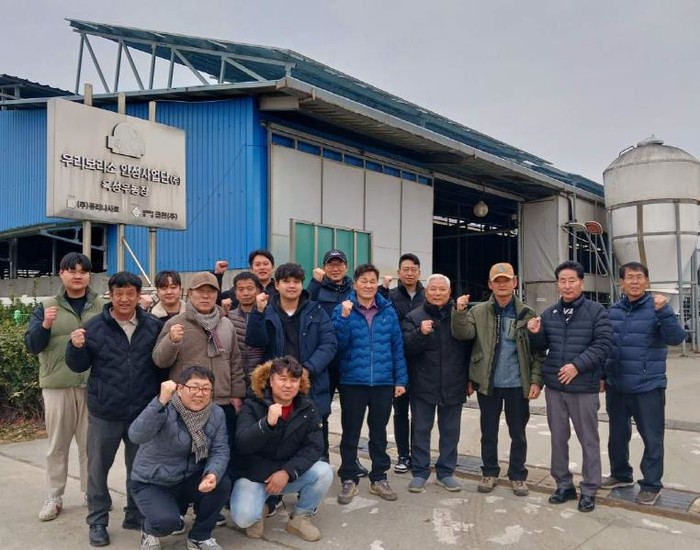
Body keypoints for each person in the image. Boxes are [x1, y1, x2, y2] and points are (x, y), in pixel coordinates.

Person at [66, 271, 163, 547]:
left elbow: (161, 365)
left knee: (139, 468)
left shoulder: (152, 326)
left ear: (138, 296)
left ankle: (135, 513)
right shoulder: (94, 327)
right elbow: (78, 366)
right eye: (119, 293)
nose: (124, 299)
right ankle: (97, 521)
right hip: (105, 412)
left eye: (130, 293)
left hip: (141, 412)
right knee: (98, 469)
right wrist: (75, 347)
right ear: (111, 295)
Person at [24, 252, 106, 522]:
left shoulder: (101, 306)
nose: (78, 275)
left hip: (92, 385)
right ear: (61, 273)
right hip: (58, 385)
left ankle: (91, 492)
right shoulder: (47, 306)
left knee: (90, 445)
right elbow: (32, 345)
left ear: (89, 276)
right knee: (57, 445)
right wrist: (45, 325)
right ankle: (54, 495)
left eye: (83, 271)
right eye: (72, 270)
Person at [527, 260, 612, 513]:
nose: (567, 285)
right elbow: (541, 347)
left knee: (588, 439)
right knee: (558, 438)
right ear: (557, 284)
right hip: (555, 388)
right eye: (562, 281)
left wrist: (577, 366)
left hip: (583, 387)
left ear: (581, 283)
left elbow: (603, 344)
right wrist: (535, 333)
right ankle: (563, 485)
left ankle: (589, 489)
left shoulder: (596, 311)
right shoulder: (550, 313)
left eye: (571, 280)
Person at [452, 262, 542, 497]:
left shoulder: (527, 314)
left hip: (517, 384)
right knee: (488, 432)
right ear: (490, 284)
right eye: (497, 281)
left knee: (518, 433)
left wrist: (535, 381)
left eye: (506, 280)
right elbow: (464, 335)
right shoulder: (478, 311)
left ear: (515, 283)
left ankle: (518, 475)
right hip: (488, 383)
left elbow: (537, 353)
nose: (502, 285)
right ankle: (489, 471)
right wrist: (459, 312)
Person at [602, 262, 686, 505]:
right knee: (617, 435)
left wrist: (665, 312)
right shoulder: (613, 311)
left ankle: (651, 484)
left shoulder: (657, 308)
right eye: (630, 277)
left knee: (652, 437)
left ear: (647, 281)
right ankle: (620, 474)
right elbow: (606, 347)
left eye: (639, 277)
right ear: (621, 282)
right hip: (617, 385)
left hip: (648, 386)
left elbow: (676, 338)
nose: (635, 282)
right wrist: (602, 376)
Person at [152, 272, 246, 482]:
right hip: (187, 404)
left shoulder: (226, 324)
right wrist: (171, 341)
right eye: (200, 291)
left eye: (210, 292)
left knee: (221, 452)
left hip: (222, 402)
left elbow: (235, 362)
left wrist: (237, 394)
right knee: (189, 455)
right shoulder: (176, 323)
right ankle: (189, 495)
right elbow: (159, 361)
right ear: (189, 294)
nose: (205, 296)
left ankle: (218, 493)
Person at [230, 357, 333, 542]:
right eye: (282, 379)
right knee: (244, 519)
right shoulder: (253, 404)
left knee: (324, 471)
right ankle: (263, 506)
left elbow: (315, 446)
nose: (288, 385)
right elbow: (242, 444)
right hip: (255, 476)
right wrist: (266, 425)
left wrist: (287, 472)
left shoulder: (307, 407)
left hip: (286, 473)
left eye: (294, 380)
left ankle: (301, 517)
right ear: (271, 380)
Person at [129, 366, 230, 550]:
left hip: (186, 479)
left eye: (206, 388)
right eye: (194, 387)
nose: (200, 393)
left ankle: (199, 537)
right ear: (180, 388)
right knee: (167, 523)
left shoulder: (216, 413)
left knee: (221, 483)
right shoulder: (165, 407)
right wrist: (160, 401)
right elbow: (136, 435)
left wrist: (212, 474)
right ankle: (147, 529)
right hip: (153, 481)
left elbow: (220, 449)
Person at [332, 263, 408, 504]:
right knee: (350, 432)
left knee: (379, 432)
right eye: (363, 281)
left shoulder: (387, 311)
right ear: (355, 284)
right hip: (352, 381)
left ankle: (379, 477)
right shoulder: (343, 309)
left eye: (372, 281)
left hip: (383, 382)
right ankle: (348, 478)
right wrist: (344, 318)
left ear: (377, 284)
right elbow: (337, 345)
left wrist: (400, 380)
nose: (368, 285)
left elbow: (397, 347)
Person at [246, 262, 337, 448]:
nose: (291, 285)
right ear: (276, 285)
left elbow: (329, 344)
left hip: (311, 382)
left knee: (316, 435)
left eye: (296, 281)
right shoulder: (267, 310)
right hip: (278, 384)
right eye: (286, 281)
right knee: (280, 432)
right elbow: (255, 340)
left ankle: (320, 463)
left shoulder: (316, 311)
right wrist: (258, 313)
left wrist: (308, 369)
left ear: (302, 284)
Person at [402, 274, 471, 493]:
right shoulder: (413, 317)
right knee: (421, 430)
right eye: (433, 289)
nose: (438, 293)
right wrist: (420, 333)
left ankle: (445, 472)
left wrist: (470, 379)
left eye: (442, 289)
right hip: (423, 384)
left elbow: (470, 349)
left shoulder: (460, 316)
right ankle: (420, 472)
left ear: (450, 292)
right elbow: (406, 348)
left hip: (454, 382)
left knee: (450, 431)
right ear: (426, 292)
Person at [307, 248, 367, 474]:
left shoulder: (354, 291)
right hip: (324, 363)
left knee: (352, 414)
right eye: (330, 264)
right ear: (324, 268)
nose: (335, 268)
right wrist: (314, 283)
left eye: (339, 264)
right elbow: (305, 305)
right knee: (320, 411)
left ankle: (350, 460)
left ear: (346, 267)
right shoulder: (316, 289)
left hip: (350, 362)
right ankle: (321, 456)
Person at [381, 253, 425, 474]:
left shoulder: (428, 296)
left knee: (420, 413)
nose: (409, 273)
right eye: (405, 269)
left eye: (413, 269)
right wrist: (382, 289)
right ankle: (403, 455)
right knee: (400, 412)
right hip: (397, 362)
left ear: (419, 272)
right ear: (399, 272)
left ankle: (418, 455)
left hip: (422, 363)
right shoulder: (389, 296)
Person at [227, 271, 265, 382]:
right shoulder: (228, 317)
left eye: (250, 288)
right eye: (241, 289)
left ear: (258, 291)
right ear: (235, 293)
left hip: (261, 376)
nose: (246, 293)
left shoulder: (267, 316)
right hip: (236, 376)